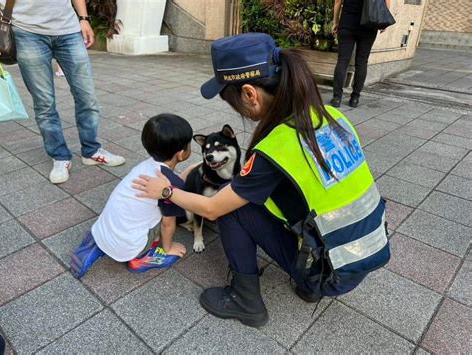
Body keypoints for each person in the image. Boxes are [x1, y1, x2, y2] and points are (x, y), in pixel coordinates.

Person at [132, 33, 390, 328]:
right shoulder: (330, 115)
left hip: (331, 272)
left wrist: (165, 189)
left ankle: (246, 302)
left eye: (232, 102)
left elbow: (214, 209)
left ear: (250, 94)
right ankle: (308, 285)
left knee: (232, 205)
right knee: (255, 194)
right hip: (364, 255)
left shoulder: (276, 147)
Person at [0, 0, 125, 184]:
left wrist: (83, 18)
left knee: (87, 97)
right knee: (44, 103)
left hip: (69, 29)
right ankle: (60, 157)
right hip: (26, 32)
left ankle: (91, 151)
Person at [70, 114, 190, 279]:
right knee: (166, 216)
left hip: (102, 230)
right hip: (130, 245)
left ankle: (95, 245)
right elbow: (168, 225)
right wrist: (169, 248)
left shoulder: (144, 166)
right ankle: (141, 258)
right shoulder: (171, 185)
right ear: (181, 154)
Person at [330, 0, 390, 108]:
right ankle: (355, 98)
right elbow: (386, 2)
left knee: (343, 60)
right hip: (369, 24)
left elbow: (338, 1)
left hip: (347, 23)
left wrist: (335, 22)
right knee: (362, 61)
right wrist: (382, 20)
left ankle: (336, 98)